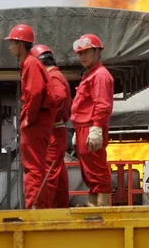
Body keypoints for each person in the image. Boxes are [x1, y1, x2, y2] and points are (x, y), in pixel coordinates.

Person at [5, 24, 57, 209]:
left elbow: (35, 93)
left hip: (36, 121)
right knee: (35, 166)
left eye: (12, 43)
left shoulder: (30, 63)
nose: (10, 47)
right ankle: (38, 205)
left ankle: (35, 207)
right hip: (39, 120)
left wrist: (29, 118)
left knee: (33, 167)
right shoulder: (30, 63)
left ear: (20, 44)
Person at [70, 33, 114, 207]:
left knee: (97, 171)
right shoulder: (89, 75)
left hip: (91, 127)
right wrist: (78, 129)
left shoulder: (100, 75)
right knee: (89, 173)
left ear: (97, 53)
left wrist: (96, 128)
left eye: (86, 52)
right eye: (80, 53)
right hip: (84, 127)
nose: (82, 56)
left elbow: (102, 104)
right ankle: (93, 209)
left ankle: (102, 211)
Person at [31, 44, 72, 209]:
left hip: (53, 132)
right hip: (56, 131)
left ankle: (43, 213)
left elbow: (59, 97)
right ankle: (60, 210)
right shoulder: (55, 76)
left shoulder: (53, 77)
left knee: (47, 175)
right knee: (57, 174)